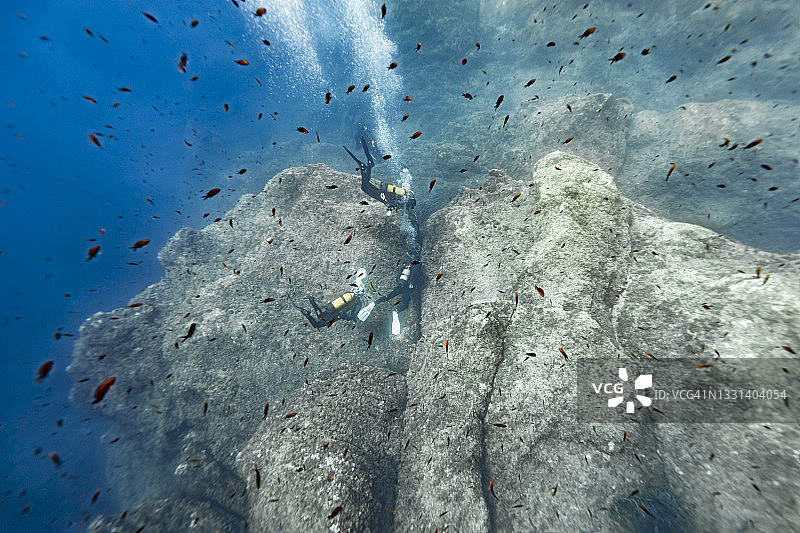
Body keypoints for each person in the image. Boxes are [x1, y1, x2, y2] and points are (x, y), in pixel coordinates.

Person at [343, 137, 416, 211]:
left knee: (365, 172)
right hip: (371, 189)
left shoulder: (399, 199)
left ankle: (366, 153)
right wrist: (389, 205)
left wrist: (390, 205)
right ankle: (365, 153)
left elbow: (386, 196)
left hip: (374, 189)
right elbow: (387, 198)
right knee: (364, 176)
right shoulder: (398, 200)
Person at [289, 269, 372, 328]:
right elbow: (351, 316)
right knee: (317, 325)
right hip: (336, 315)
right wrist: (351, 319)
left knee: (320, 315)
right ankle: (305, 312)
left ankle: (311, 300)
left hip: (332, 309)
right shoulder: (358, 304)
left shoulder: (350, 294)